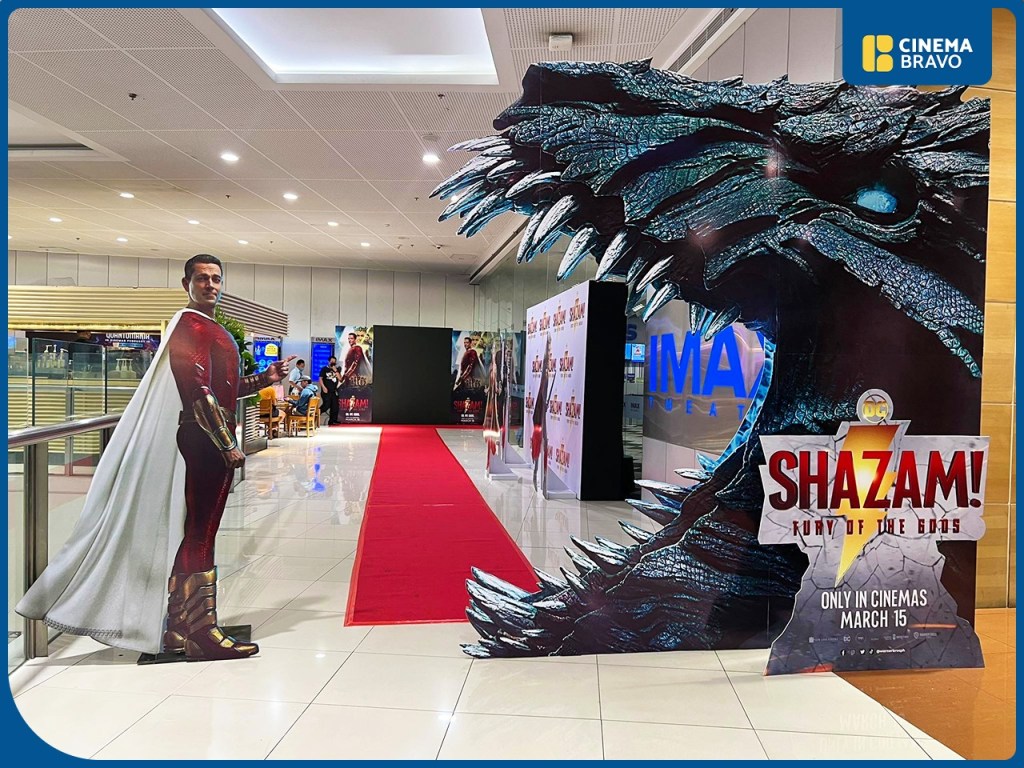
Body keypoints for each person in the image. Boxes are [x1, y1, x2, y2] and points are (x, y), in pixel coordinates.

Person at [17, 253, 295, 662]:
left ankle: (180, 628)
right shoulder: (191, 325)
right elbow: (197, 391)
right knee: (200, 533)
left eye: (216, 279)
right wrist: (226, 444)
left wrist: (264, 379)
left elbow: (221, 387)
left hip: (205, 440)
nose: (211, 285)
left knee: (198, 531)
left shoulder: (204, 326)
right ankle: (201, 631)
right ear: (187, 284)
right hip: (203, 443)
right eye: (202, 278)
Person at [319, 355, 340, 426]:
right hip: (326, 391)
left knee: (335, 406)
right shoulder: (324, 369)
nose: (333, 363)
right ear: (328, 362)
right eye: (332, 362)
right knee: (326, 405)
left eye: (334, 362)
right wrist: (323, 387)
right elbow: (320, 379)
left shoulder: (337, 369)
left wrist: (335, 370)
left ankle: (333, 421)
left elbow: (340, 379)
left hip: (334, 391)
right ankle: (315, 415)